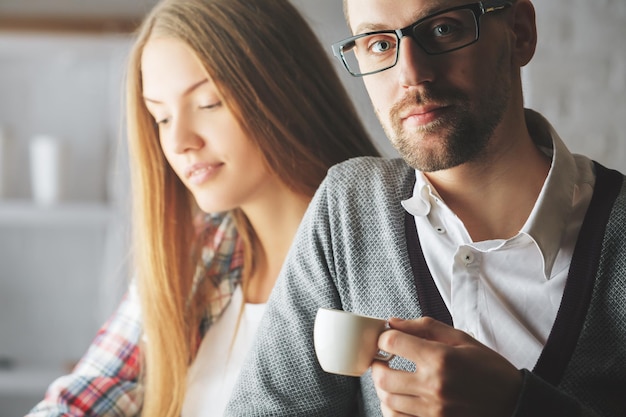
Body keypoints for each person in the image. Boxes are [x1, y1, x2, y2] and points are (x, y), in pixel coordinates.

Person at [226, 0, 626, 416]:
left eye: (443, 30)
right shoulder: (348, 207)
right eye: (379, 44)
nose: (412, 75)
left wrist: (518, 406)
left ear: (520, 32)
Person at [26, 0, 380, 416]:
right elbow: (83, 398)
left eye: (208, 103)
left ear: (284, 88)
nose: (179, 142)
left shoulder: (382, 250)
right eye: (160, 117)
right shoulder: (197, 254)